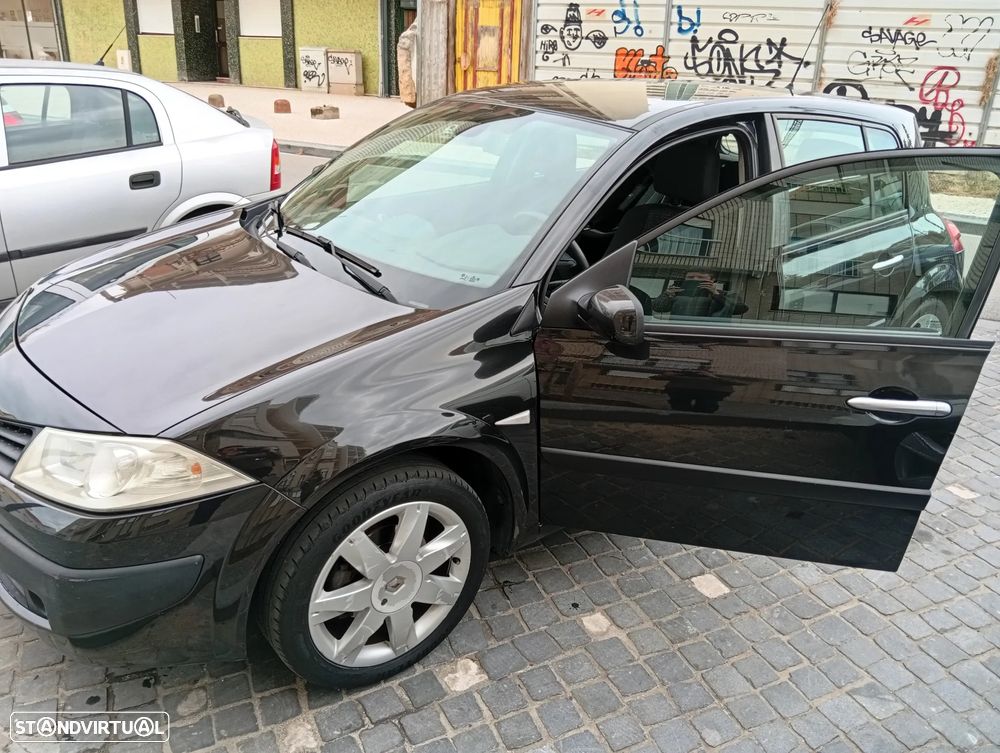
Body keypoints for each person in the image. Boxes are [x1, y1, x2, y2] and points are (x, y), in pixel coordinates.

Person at [651, 268, 748, 318]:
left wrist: (716, 294)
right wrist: (667, 295)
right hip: (678, 333)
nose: (695, 280)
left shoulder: (727, 294)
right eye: (691, 277)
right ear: (685, 279)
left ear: (712, 280)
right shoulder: (677, 293)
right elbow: (657, 308)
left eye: (701, 277)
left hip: (712, 337)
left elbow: (740, 309)